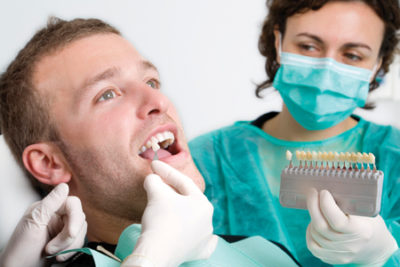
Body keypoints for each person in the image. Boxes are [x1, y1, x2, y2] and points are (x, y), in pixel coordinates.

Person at [0, 17, 299, 266]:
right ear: (49, 162)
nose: (158, 101)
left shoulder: (265, 252)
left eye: (151, 82)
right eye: (107, 94)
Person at [189, 0, 400, 266]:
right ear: (278, 43)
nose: (326, 71)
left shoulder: (395, 156)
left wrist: (385, 254)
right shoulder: (206, 161)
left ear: (377, 65)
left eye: (353, 55)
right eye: (308, 46)